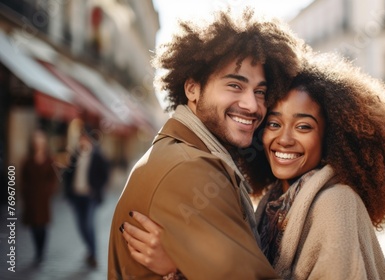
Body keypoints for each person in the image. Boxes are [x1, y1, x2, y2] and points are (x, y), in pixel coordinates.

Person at [121, 53, 385, 279]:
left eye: (304, 127)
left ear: (330, 138)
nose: (284, 139)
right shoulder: (272, 201)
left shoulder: (336, 204)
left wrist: (176, 267)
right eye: (273, 123)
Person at [107, 8, 303, 279]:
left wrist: (178, 269)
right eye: (235, 85)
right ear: (192, 89)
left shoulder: (184, 152)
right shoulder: (191, 169)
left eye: (260, 91)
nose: (252, 105)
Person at [63, 126, 110, 268]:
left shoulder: (97, 155)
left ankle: (94, 254)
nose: (82, 140)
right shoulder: (75, 154)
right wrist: (68, 191)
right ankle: (90, 251)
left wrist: (95, 189)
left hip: (90, 197)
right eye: (80, 138)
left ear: (89, 139)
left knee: (89, 225)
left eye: (84, 138)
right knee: (81, 226)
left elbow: (105, 175)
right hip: (76, 196)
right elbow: (68, 174)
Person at [21, 129, 58, 264]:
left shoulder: (49, 160)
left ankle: (41, 251)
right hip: (31, 198)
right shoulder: (28, 160)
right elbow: (23, 179)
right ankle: (37, 250)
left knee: (42, 226)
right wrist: (25, 193)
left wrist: (48, 191)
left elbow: (53, 178)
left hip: (43, 199)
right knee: (33, 226)